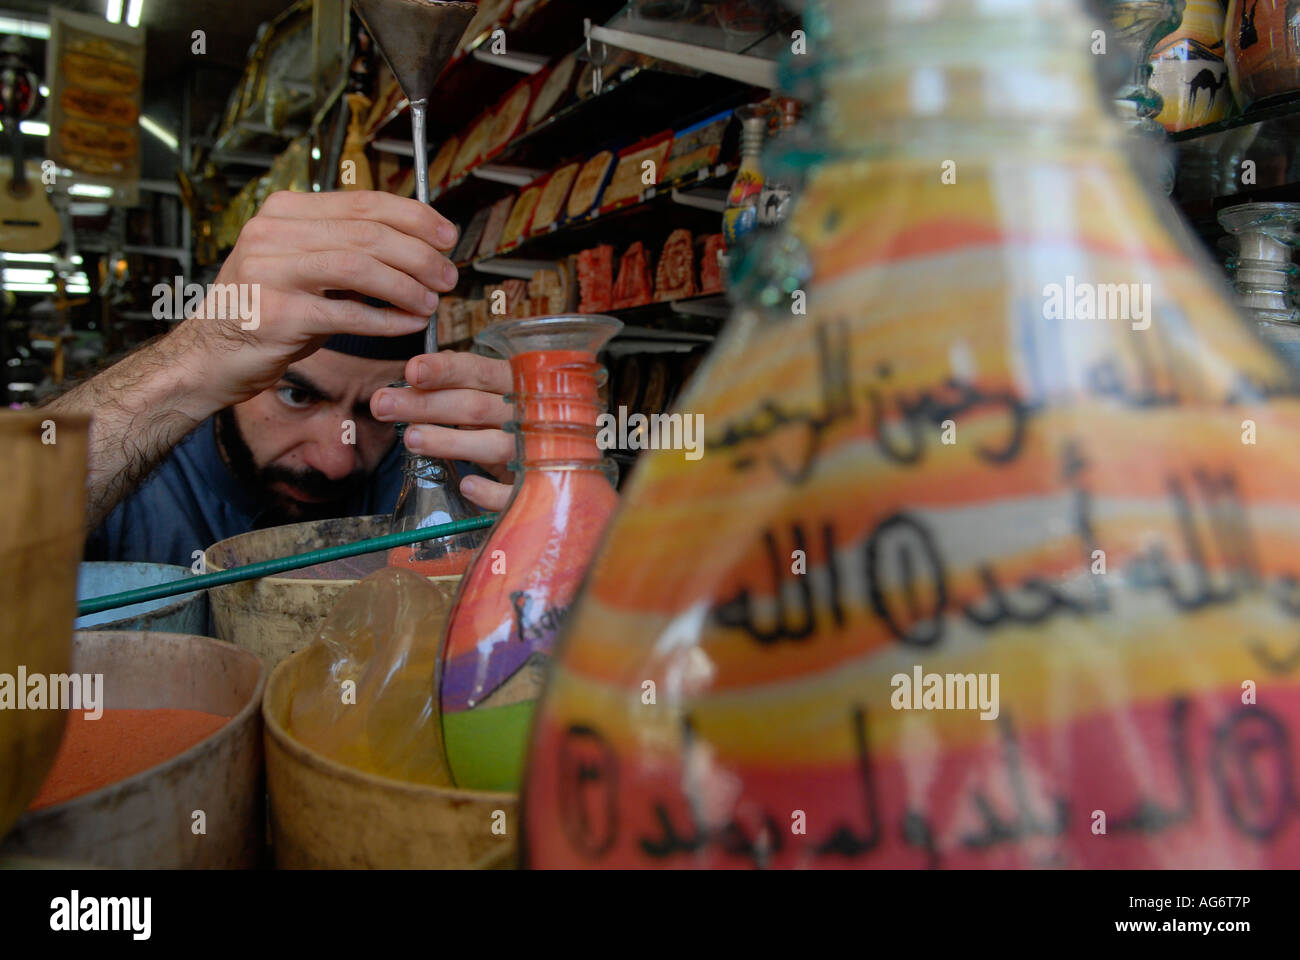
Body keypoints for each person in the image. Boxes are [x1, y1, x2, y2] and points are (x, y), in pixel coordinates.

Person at [43, 190, 515, 568]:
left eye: (375, 411)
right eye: (296, 395)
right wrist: (192, 357)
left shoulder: (424, 467)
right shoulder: (136, 462)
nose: (334, 461)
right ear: (231, 380)